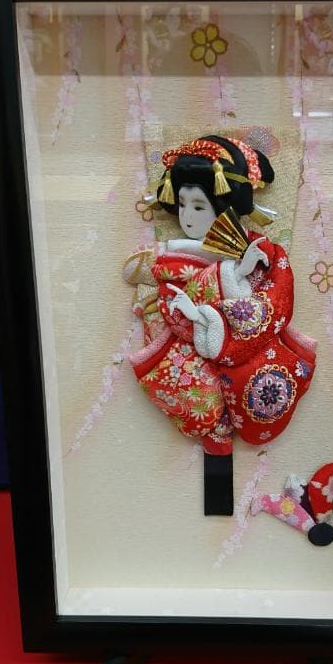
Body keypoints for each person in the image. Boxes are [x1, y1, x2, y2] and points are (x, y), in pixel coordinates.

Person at [125, 136, 317, 464]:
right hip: (195, 357)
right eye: (182, 204)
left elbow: (273, 300)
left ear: (224, 207)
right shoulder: (171, 259)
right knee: (199, 395)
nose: (187, 216)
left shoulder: (257, 251)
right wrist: (232, 275)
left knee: (261, 378)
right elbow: (175, 311)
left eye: (198, 206)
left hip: (248, 354)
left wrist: (235, 277)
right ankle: (216, 438)